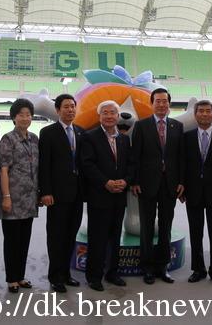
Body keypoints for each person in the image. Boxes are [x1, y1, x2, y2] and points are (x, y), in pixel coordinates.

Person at [131, 88, 184, 285]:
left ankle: (163, 266)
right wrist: (134, 181)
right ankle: (147, 267)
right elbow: (135, 156)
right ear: (152, 104)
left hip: (170, 184)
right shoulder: (141, 125)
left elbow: (181, 157)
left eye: (165, 101)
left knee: (165, 226)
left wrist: (181, 181)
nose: (161, 104)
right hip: (146, 184)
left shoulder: (177, 126)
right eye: (158, 101)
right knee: (146, 226)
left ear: (169, 104)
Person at [80, 101, 133, 291]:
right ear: (100, 116)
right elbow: (87, 165)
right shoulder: (90, 137)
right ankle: (94, 276)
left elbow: (130, 165)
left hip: (119, 197)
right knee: (97, 238)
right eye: (105, 113)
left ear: (118, 116)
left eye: (112, 113)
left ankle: (112, 273)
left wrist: (125, 181)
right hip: (99, 196)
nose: (109, 116)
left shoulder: (124, 139)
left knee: (115, 236)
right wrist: (106, 182)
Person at [181, 100, 212, 287]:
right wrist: (181, 187)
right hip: (192, 192)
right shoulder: (186, 137)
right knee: (196, 234)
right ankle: (198, 269)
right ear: (195, 115)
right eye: (200, 111)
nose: (204, 114)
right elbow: (182, 164)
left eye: (207, 111)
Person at [38, 94, 84, 293]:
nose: (70, 110)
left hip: (77, 194)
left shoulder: (80, 132)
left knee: (70, 235)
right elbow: (44, 165)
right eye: (66, 106)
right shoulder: (48, 132)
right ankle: (55, 276)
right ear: (57, 110)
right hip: (56, 195)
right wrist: (45, 191)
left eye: (73, 106)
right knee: (56, 236)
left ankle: (66, 273)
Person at [0, 99, 39, 293]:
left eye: (28, 114)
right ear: (14, 117)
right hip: (13, 198)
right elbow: (4, 169)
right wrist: (6, 196)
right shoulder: (8, 139)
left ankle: (21, 276)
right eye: (21, 115)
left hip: (30, 199)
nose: (25, 118)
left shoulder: (34, 139)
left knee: (24, 240)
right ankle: (11, 279)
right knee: (12, 240)